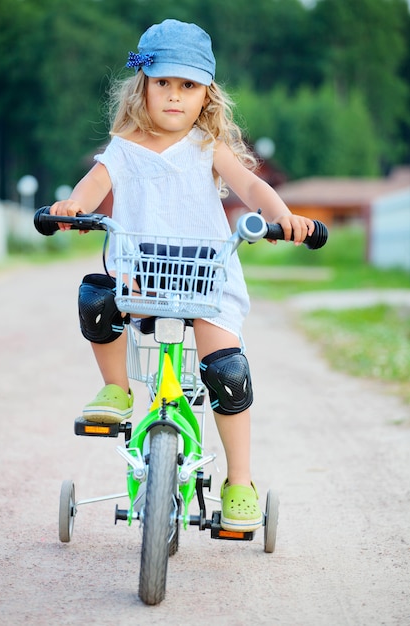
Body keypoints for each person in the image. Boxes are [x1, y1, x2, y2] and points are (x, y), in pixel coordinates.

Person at [50, 19, 314, 532]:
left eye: (188, 86)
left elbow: (252, 189)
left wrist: (284, 216)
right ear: (142, 87)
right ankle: (117, 391)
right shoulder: (123, 148)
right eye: (163, 83)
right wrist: (72, 208)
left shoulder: (207, 147)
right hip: (143, 280)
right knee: (96, 296)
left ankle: (240, 480)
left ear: (206, 96)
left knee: (227, 372)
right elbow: (89, 186)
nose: (174, 96)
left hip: (207, 283)